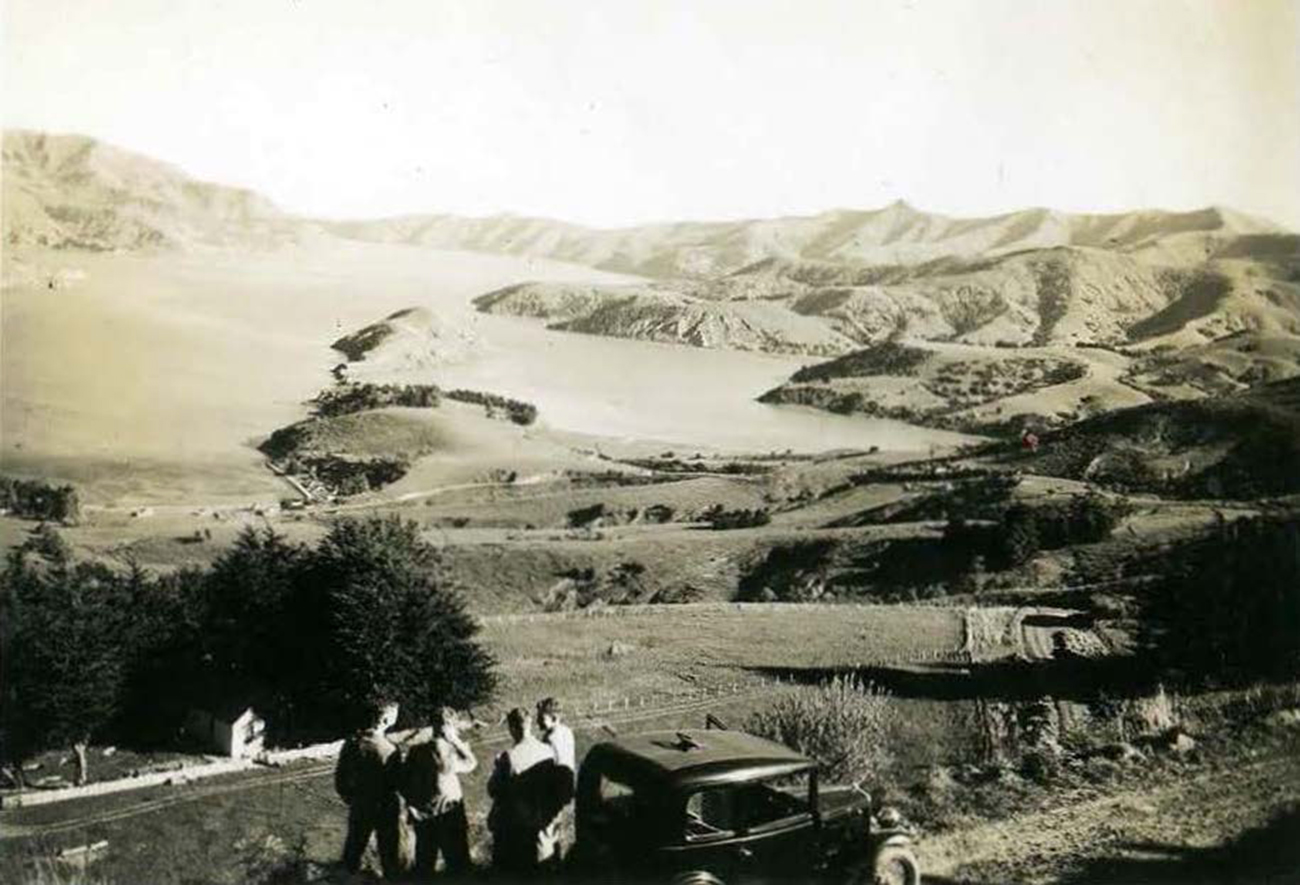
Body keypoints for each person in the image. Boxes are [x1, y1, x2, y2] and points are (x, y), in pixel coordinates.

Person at [487, 708, 570, 876]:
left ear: (512, 728)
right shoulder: (547, 750)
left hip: (517, 829)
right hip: (542, 823)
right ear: (530, 724)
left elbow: (493, 790)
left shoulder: (509, 757)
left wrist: (498, 767)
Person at [401, 707, 477, 879]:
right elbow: (471, 763)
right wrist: (455, 740)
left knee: (425, 865)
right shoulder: (449, 751)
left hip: (425, 814)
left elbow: (403, 782)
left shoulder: (417, 751)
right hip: (450, 813)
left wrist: (412, 805)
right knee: (458, 865)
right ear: (451, 725)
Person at [334, 700, 404, 878]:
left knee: (353, 848)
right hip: (386, 805)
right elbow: (398, 782)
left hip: (361, 803)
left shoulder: (352, 742)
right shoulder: (390, 749)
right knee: (389, 853)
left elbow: (340, 777)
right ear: (387, 720)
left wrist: (350, 798)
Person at [535, 697, 576, 860]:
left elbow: (552, 768)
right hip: (565, 788)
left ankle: (547, 866)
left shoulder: (550, 739)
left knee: (545, 833)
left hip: (553, 791)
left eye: (541, 718)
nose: (538, 721)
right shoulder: (567, 731)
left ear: (554, 718)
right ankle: (556, 861)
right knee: (555, 831)